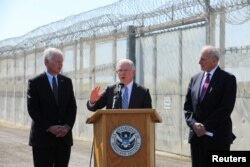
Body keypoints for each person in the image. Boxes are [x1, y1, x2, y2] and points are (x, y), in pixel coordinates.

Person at [183, 45, 237, 167]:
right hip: (196, 138)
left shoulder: (228, 79)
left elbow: (226, 108)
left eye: (203, 59)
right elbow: (188, 107)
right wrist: (193, 124)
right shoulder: (195, 79)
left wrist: (205, 126)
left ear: (214, 60)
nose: (199, 62)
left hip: (217, 139)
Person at [27, 47, 77, 167]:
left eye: (62, 61)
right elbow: (33, 110)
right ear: (46, 62)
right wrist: (49, 127)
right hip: (43, 139)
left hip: (63, 139)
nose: (60, 64)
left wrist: (67, 126)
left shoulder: (67, 82)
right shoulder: (35, 83)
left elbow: (72, 108)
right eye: (57, 61)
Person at [87, 59, 152, 111]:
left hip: (135, 127)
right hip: (114, 126)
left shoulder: (143, 92)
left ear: (133, 72)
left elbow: (148, 115)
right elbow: (94, 108)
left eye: (126, 70)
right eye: (120, 70)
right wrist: (92, 102)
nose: (123, 73)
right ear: (116, 72)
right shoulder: (110, 89)